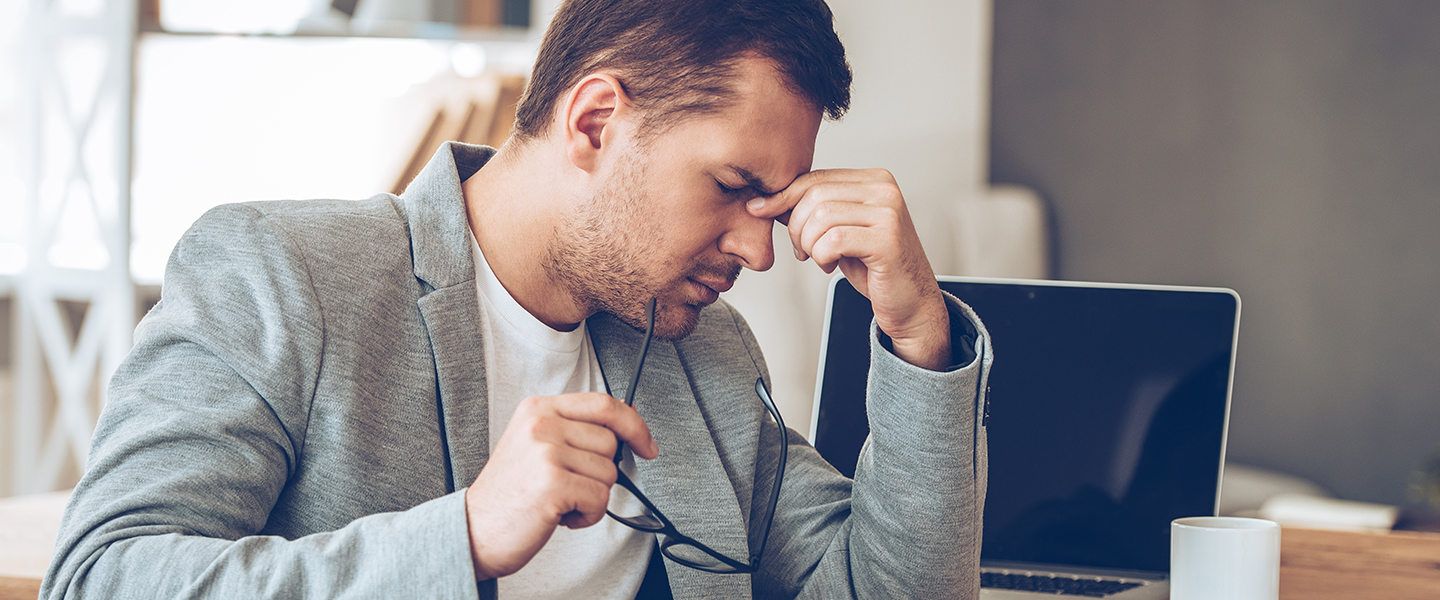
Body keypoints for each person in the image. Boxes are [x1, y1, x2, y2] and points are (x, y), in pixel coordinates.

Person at [41, 0, 992, 598]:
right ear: (596, 121)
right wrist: (463, 535)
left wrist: (918, 334)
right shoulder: (283, 275)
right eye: (732, 186)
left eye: (773, 207)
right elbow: (101, 577)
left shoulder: (706, 351)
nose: (758, 248)